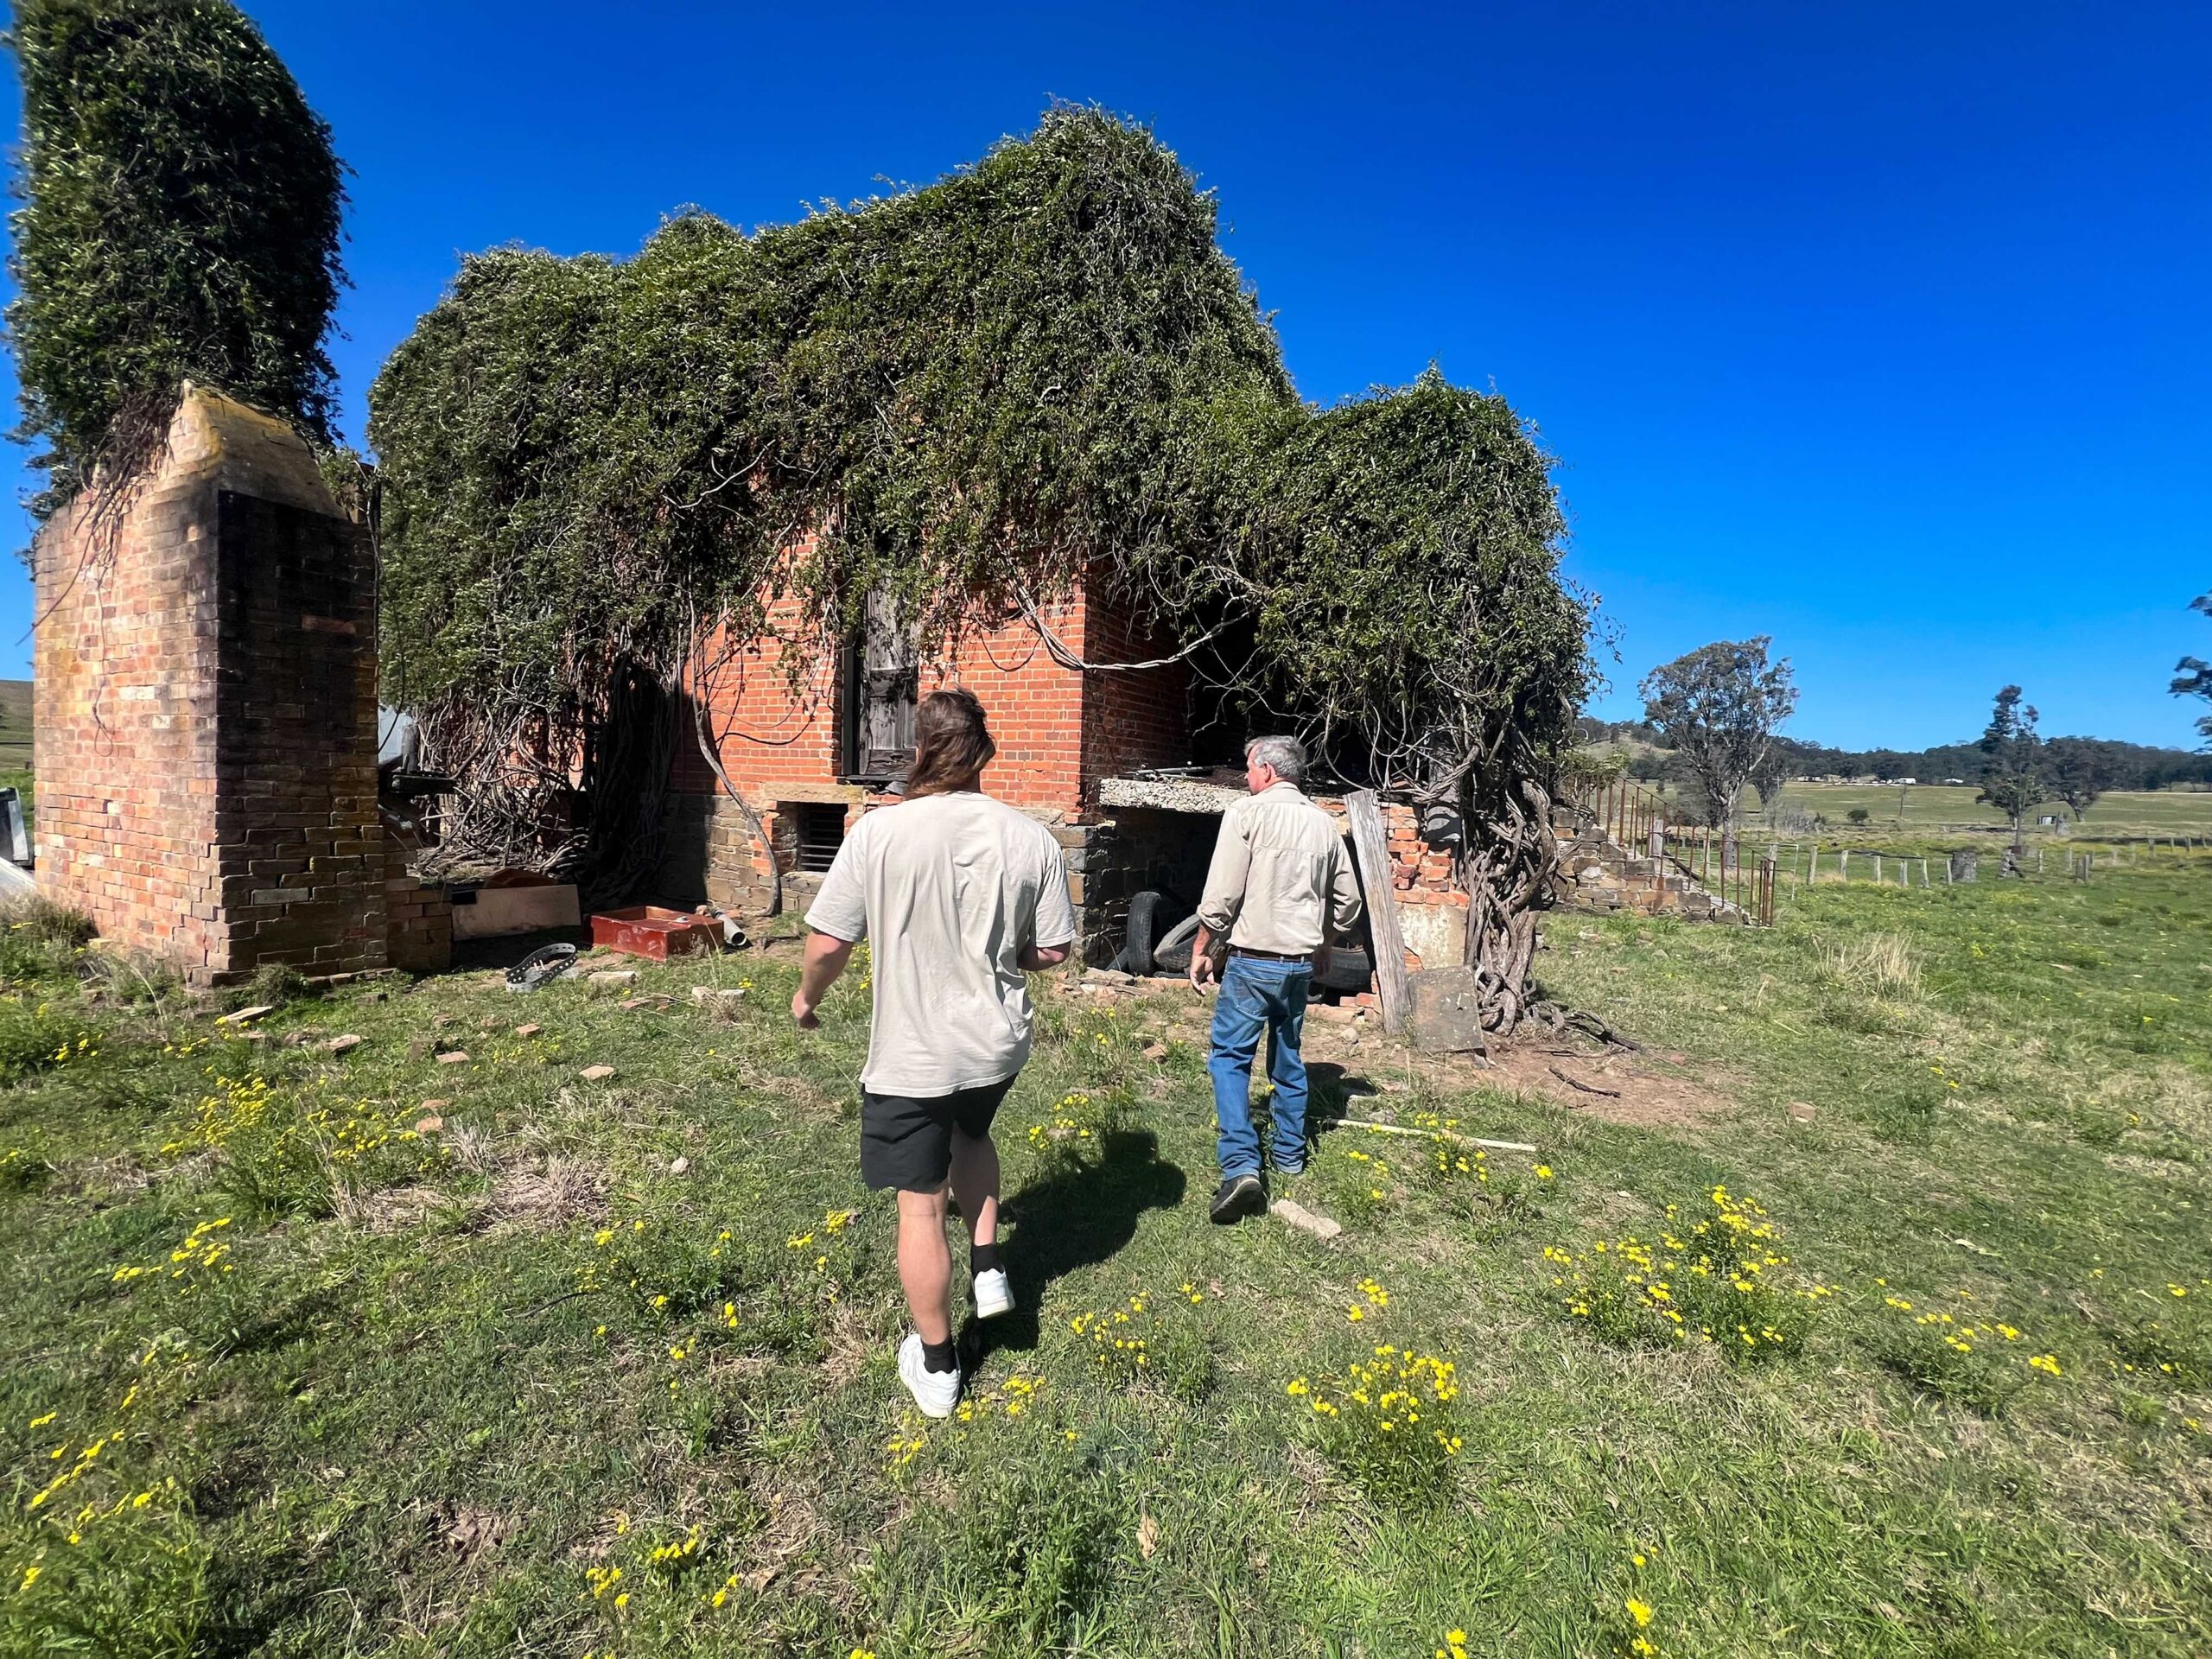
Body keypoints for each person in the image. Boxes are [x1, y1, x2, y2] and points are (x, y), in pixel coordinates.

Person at [792, 689, 1076, 1416]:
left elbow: (828, 944)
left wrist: (807, 999)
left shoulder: (878, 836)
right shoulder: (1031, 838)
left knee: (920, 1209)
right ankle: (986, 1266)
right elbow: (1052, 949)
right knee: (973, 1133)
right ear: (983, 753)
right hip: (995, 1047)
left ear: (917, 749)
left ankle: (941, 1366)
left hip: (915, 1055)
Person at [1189, 735, 1363, 1224]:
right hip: (1298, 966)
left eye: (1248, 768)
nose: (1246, 777)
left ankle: (1242, 1165)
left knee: (1229, 1059)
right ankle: (1289, 1155)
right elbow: (1348, 902)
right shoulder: (1325, 825)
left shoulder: (1247, 814)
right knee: (1288, 1058)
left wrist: (1202, 947)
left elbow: (1223, 894)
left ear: (1265, 770)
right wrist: (1325, 941)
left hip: (1251, 963)